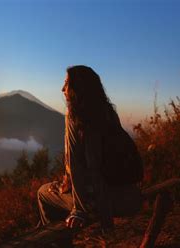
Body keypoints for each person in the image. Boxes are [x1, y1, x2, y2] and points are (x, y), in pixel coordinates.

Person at [37, 65, 142, 231]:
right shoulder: (108, 111)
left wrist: (79, 210)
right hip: (130, 198)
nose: (62, 88)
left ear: (78, 89)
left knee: (43, 192)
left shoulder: (74, 116)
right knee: (57, 188)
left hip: (102, 200)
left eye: (66, 83)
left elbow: (77, 165)